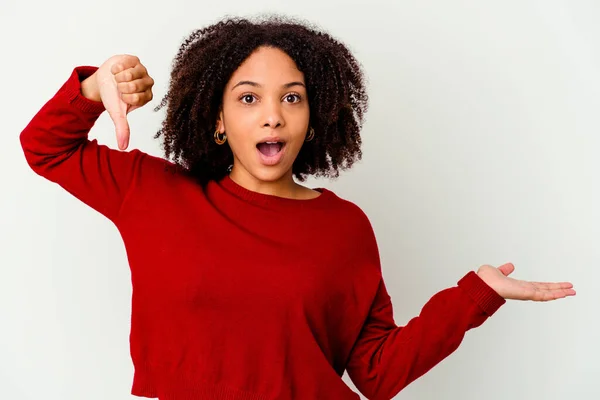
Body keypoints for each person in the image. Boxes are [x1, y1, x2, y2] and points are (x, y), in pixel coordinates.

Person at [19, 16, 575, 400]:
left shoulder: (343, 228)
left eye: (291, 97)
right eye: (248, 97)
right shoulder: (154, 193)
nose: (272, 116)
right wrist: (93, 89)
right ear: (217, 120)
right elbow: (45, 147)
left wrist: (474, 296)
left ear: (314, 117)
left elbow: (377, 374)